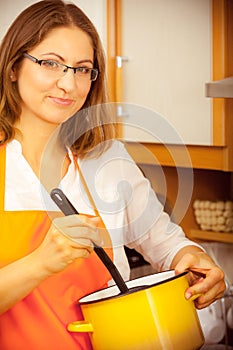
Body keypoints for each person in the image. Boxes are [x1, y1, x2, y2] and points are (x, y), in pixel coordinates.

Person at [0, 0, 226, 349]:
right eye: (50, 63)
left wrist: (191, 257)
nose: (68, 84)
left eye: (82, 69)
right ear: (13, 66)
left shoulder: (107, 158)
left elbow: (164, 242)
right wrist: (40, 264)